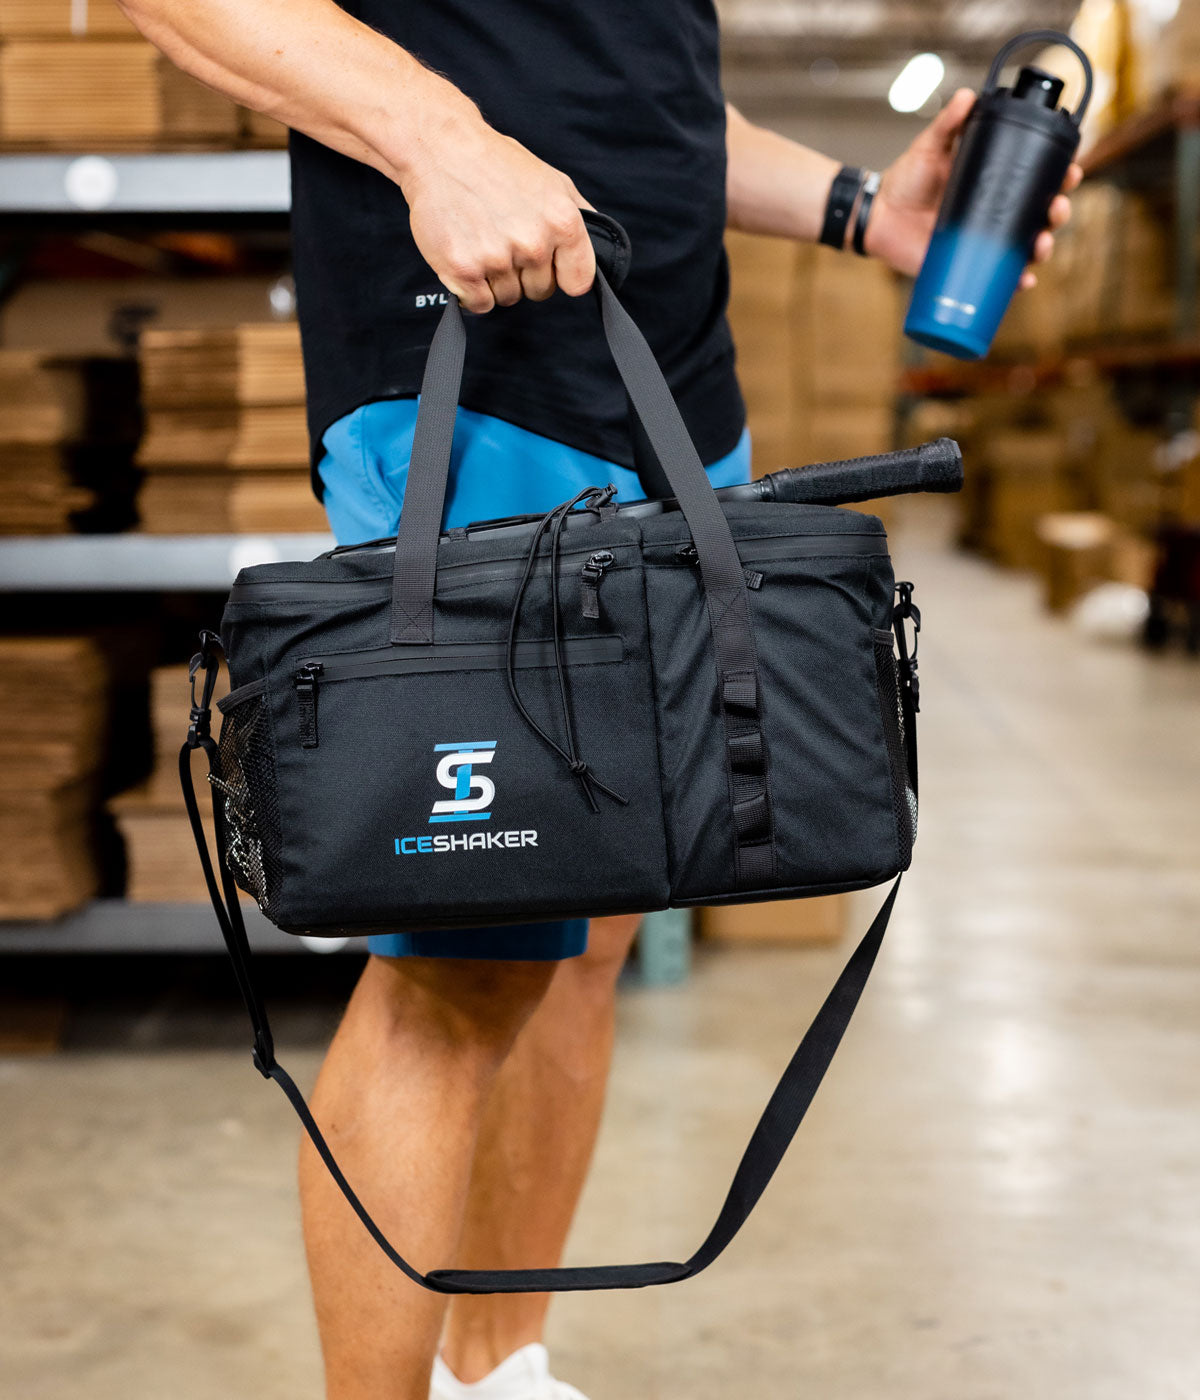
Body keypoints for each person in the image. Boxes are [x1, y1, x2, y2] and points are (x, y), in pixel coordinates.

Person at [119, 3, 1079, 1397]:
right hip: (478, 356)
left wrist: (861, 208)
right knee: (461, 958)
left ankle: (498, 1372)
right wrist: (439, 142)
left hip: (671, 381)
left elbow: (641, 91)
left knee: (591, 925)